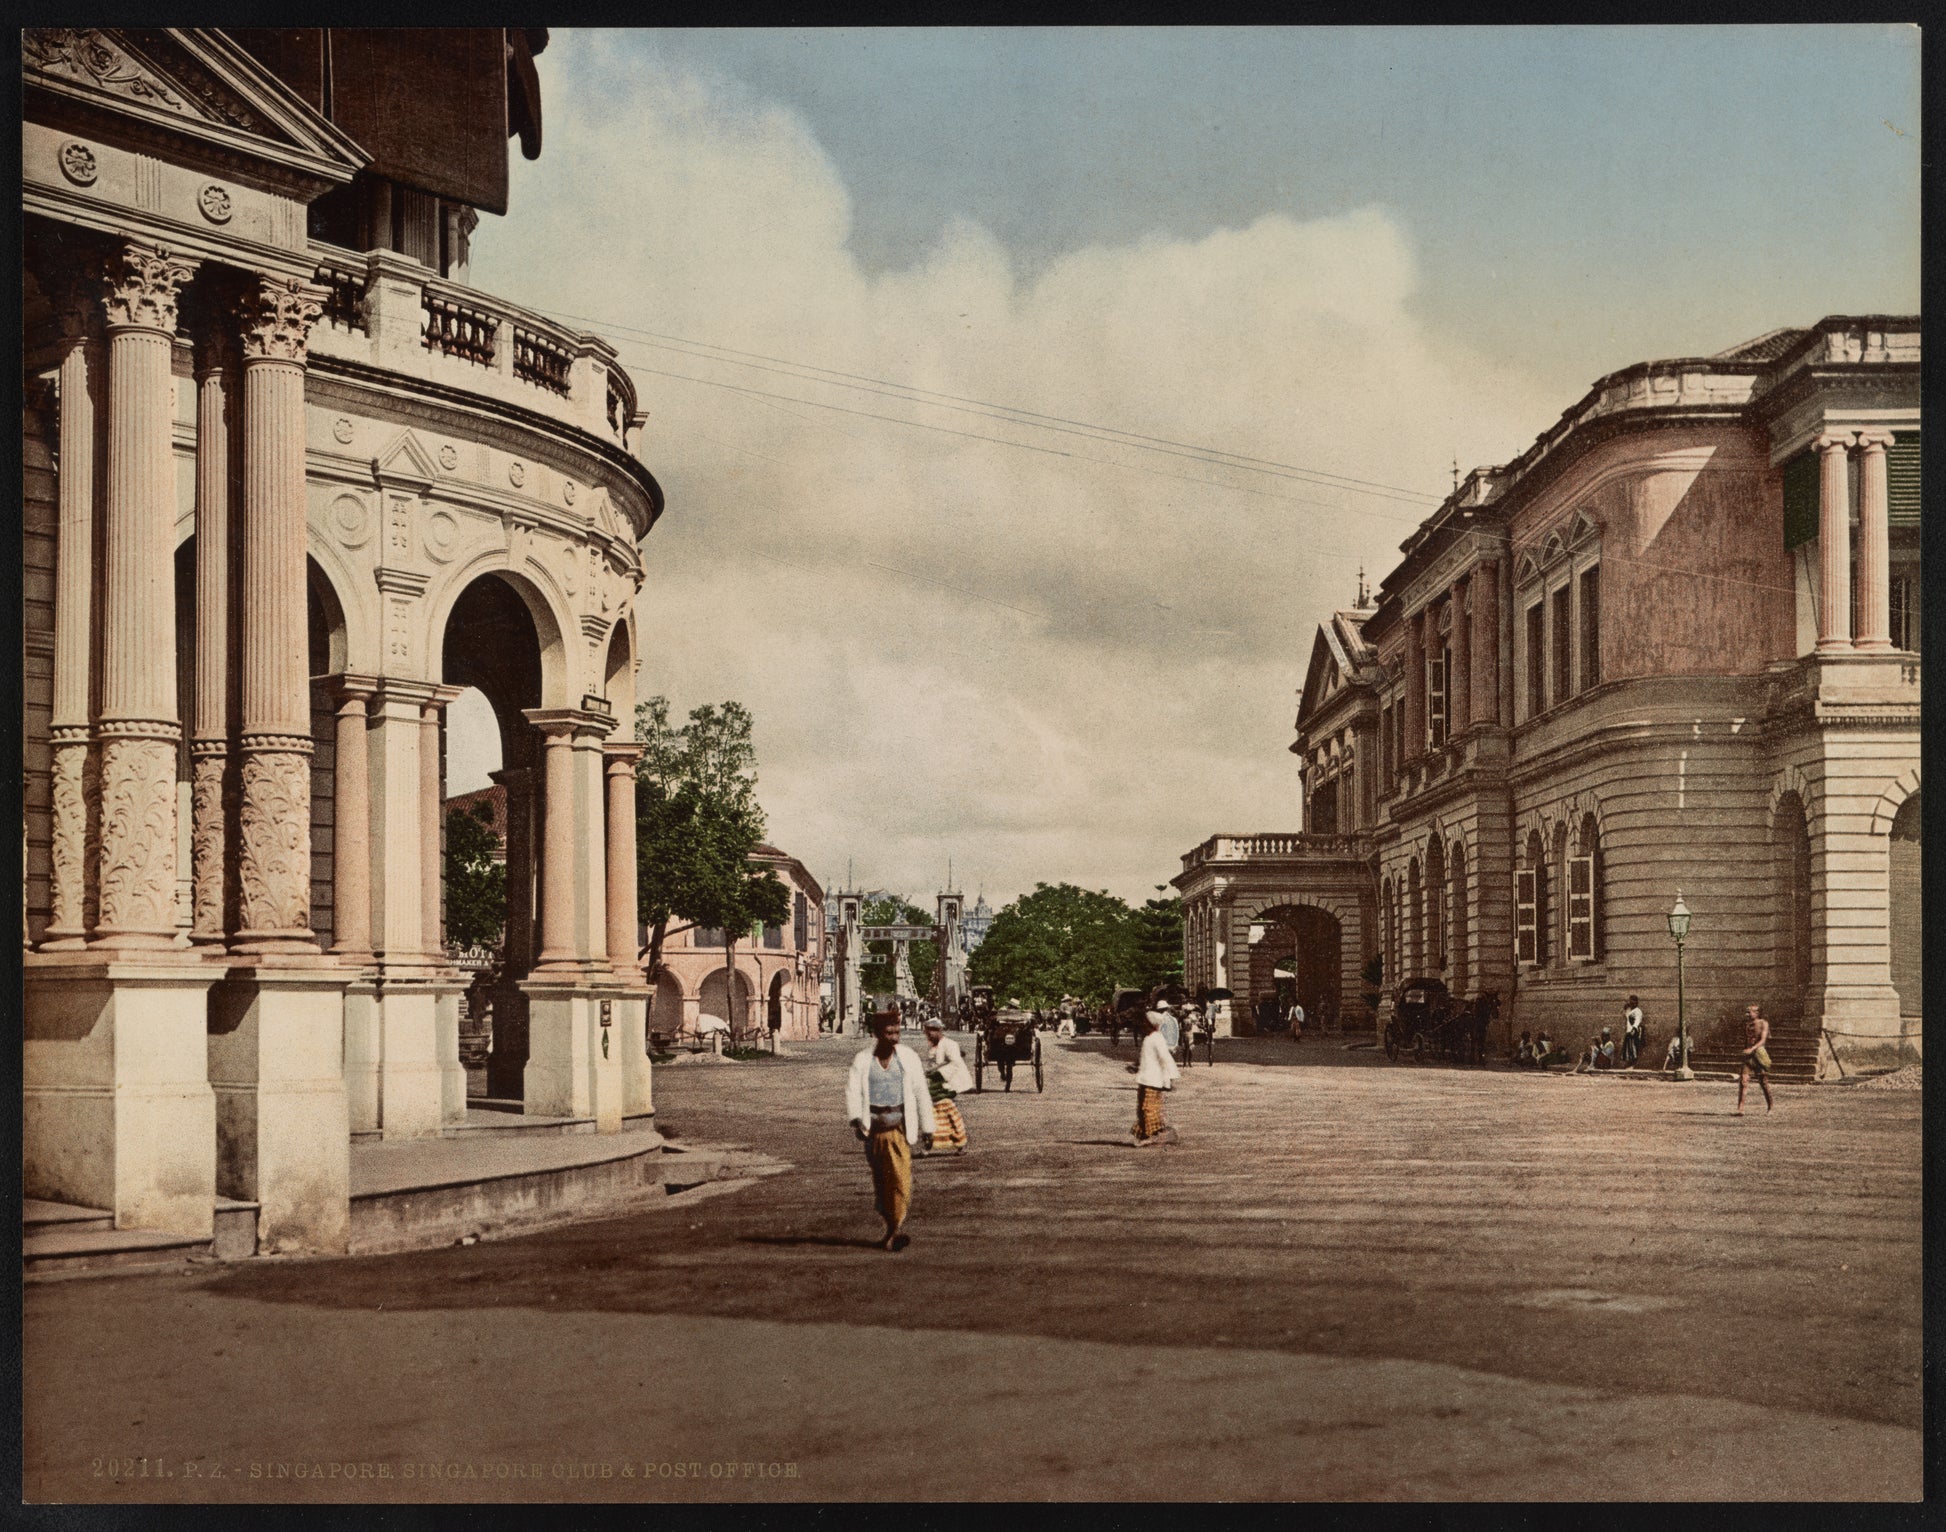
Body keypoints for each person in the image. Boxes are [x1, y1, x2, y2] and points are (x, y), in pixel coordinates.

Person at [844, 1010, 935, 1250]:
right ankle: (891, 1230)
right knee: (882, 1183)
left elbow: (920, 1092)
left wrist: (928, 1128)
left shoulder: (908, 1058)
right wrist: (855, 1119)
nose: (894, 1038)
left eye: (897, 1032)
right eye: (889, 1033)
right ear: (876, 1033)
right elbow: (853, 1091)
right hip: (873, 1131)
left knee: (901, 1180)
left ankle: (896, 1230)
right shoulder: (863, 1060)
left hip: (899, 1129)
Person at [1126, 1007, 1181, 1146]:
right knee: (1142, 1108)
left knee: (1149, 1108)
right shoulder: (1149, 1038)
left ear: (1153, 1024)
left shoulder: (1157, 1038)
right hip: (1145, 1079)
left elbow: (1166, 1058)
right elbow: (1147, 1058)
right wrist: (1137, 1066)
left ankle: (1149, 1136)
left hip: (1153, 1080)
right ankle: (1150, 1134)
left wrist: (1171, 1078)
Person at [921, 1017, 973, 1153]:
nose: (929, 1035)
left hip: (947, 1084)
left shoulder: (950, 1045)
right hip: (934, 1085)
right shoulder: (934, 1046)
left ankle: (959, 1143)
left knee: (948, 1114)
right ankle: (930, 1145)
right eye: (927, 1032)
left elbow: (955, 1063)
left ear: (939, 1031)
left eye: (931, 1031)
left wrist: (936, 1073)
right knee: (933, 1115)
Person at [1736, 1003, 1775, 1115]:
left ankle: (1770, 1107)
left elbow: (1763, 1040)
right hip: (1748, 1057)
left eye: (1750, 1012)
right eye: (1747, 1012)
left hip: (1758, 1055)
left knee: (1763, 1082)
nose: (1747, 1014)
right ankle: (1741, 1108)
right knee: (1743, 1081)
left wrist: (1752, 1048)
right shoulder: (1747, 1024)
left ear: (1757, 1013)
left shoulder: (1764, 1023)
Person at [1621, 995, 1645, 1067]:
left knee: (1633, 1048)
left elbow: (1638, 1021)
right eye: (1630, 1001)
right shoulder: (1629, 1010)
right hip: (1629, 1030)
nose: (1632, 1003)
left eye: (1633, 1001)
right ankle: (1629, 1063)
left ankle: (1633, 1064)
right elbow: (1624, 1015)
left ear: (1636, 1002)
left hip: (1634, 1032)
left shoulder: (1638, 1011)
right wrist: (1625, 1008)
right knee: (1628, 1048)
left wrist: (1634, 1029)